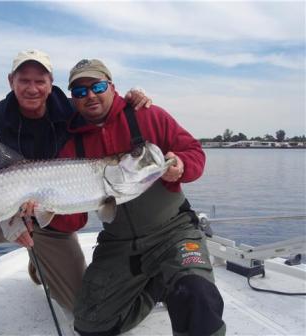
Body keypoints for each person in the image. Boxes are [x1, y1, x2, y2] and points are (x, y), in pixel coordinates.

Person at [0, 50, 151, 336]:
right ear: (10, 81)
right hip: (3, 216)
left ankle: (38, 263)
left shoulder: (72, 111)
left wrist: (132, 100)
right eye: (23, 80)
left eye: (39, 81)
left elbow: (106, 115)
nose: (32, 88)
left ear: (50, 82)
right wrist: (10, 222)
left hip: (54, 223)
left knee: (84, 310)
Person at [57, 59, 226, 336]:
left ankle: (174, 278)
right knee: (91, 324)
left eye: (97, 86)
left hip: (174, 231)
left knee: (195, 293)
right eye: (79, 92)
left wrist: (182, 165)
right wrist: (46, 207)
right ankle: (155, 286)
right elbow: (73, 221)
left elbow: (194, 151)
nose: (90, 95)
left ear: (112, 87)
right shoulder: (70, 146)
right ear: (73, 100)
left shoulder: (148, 115)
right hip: (119, 243)